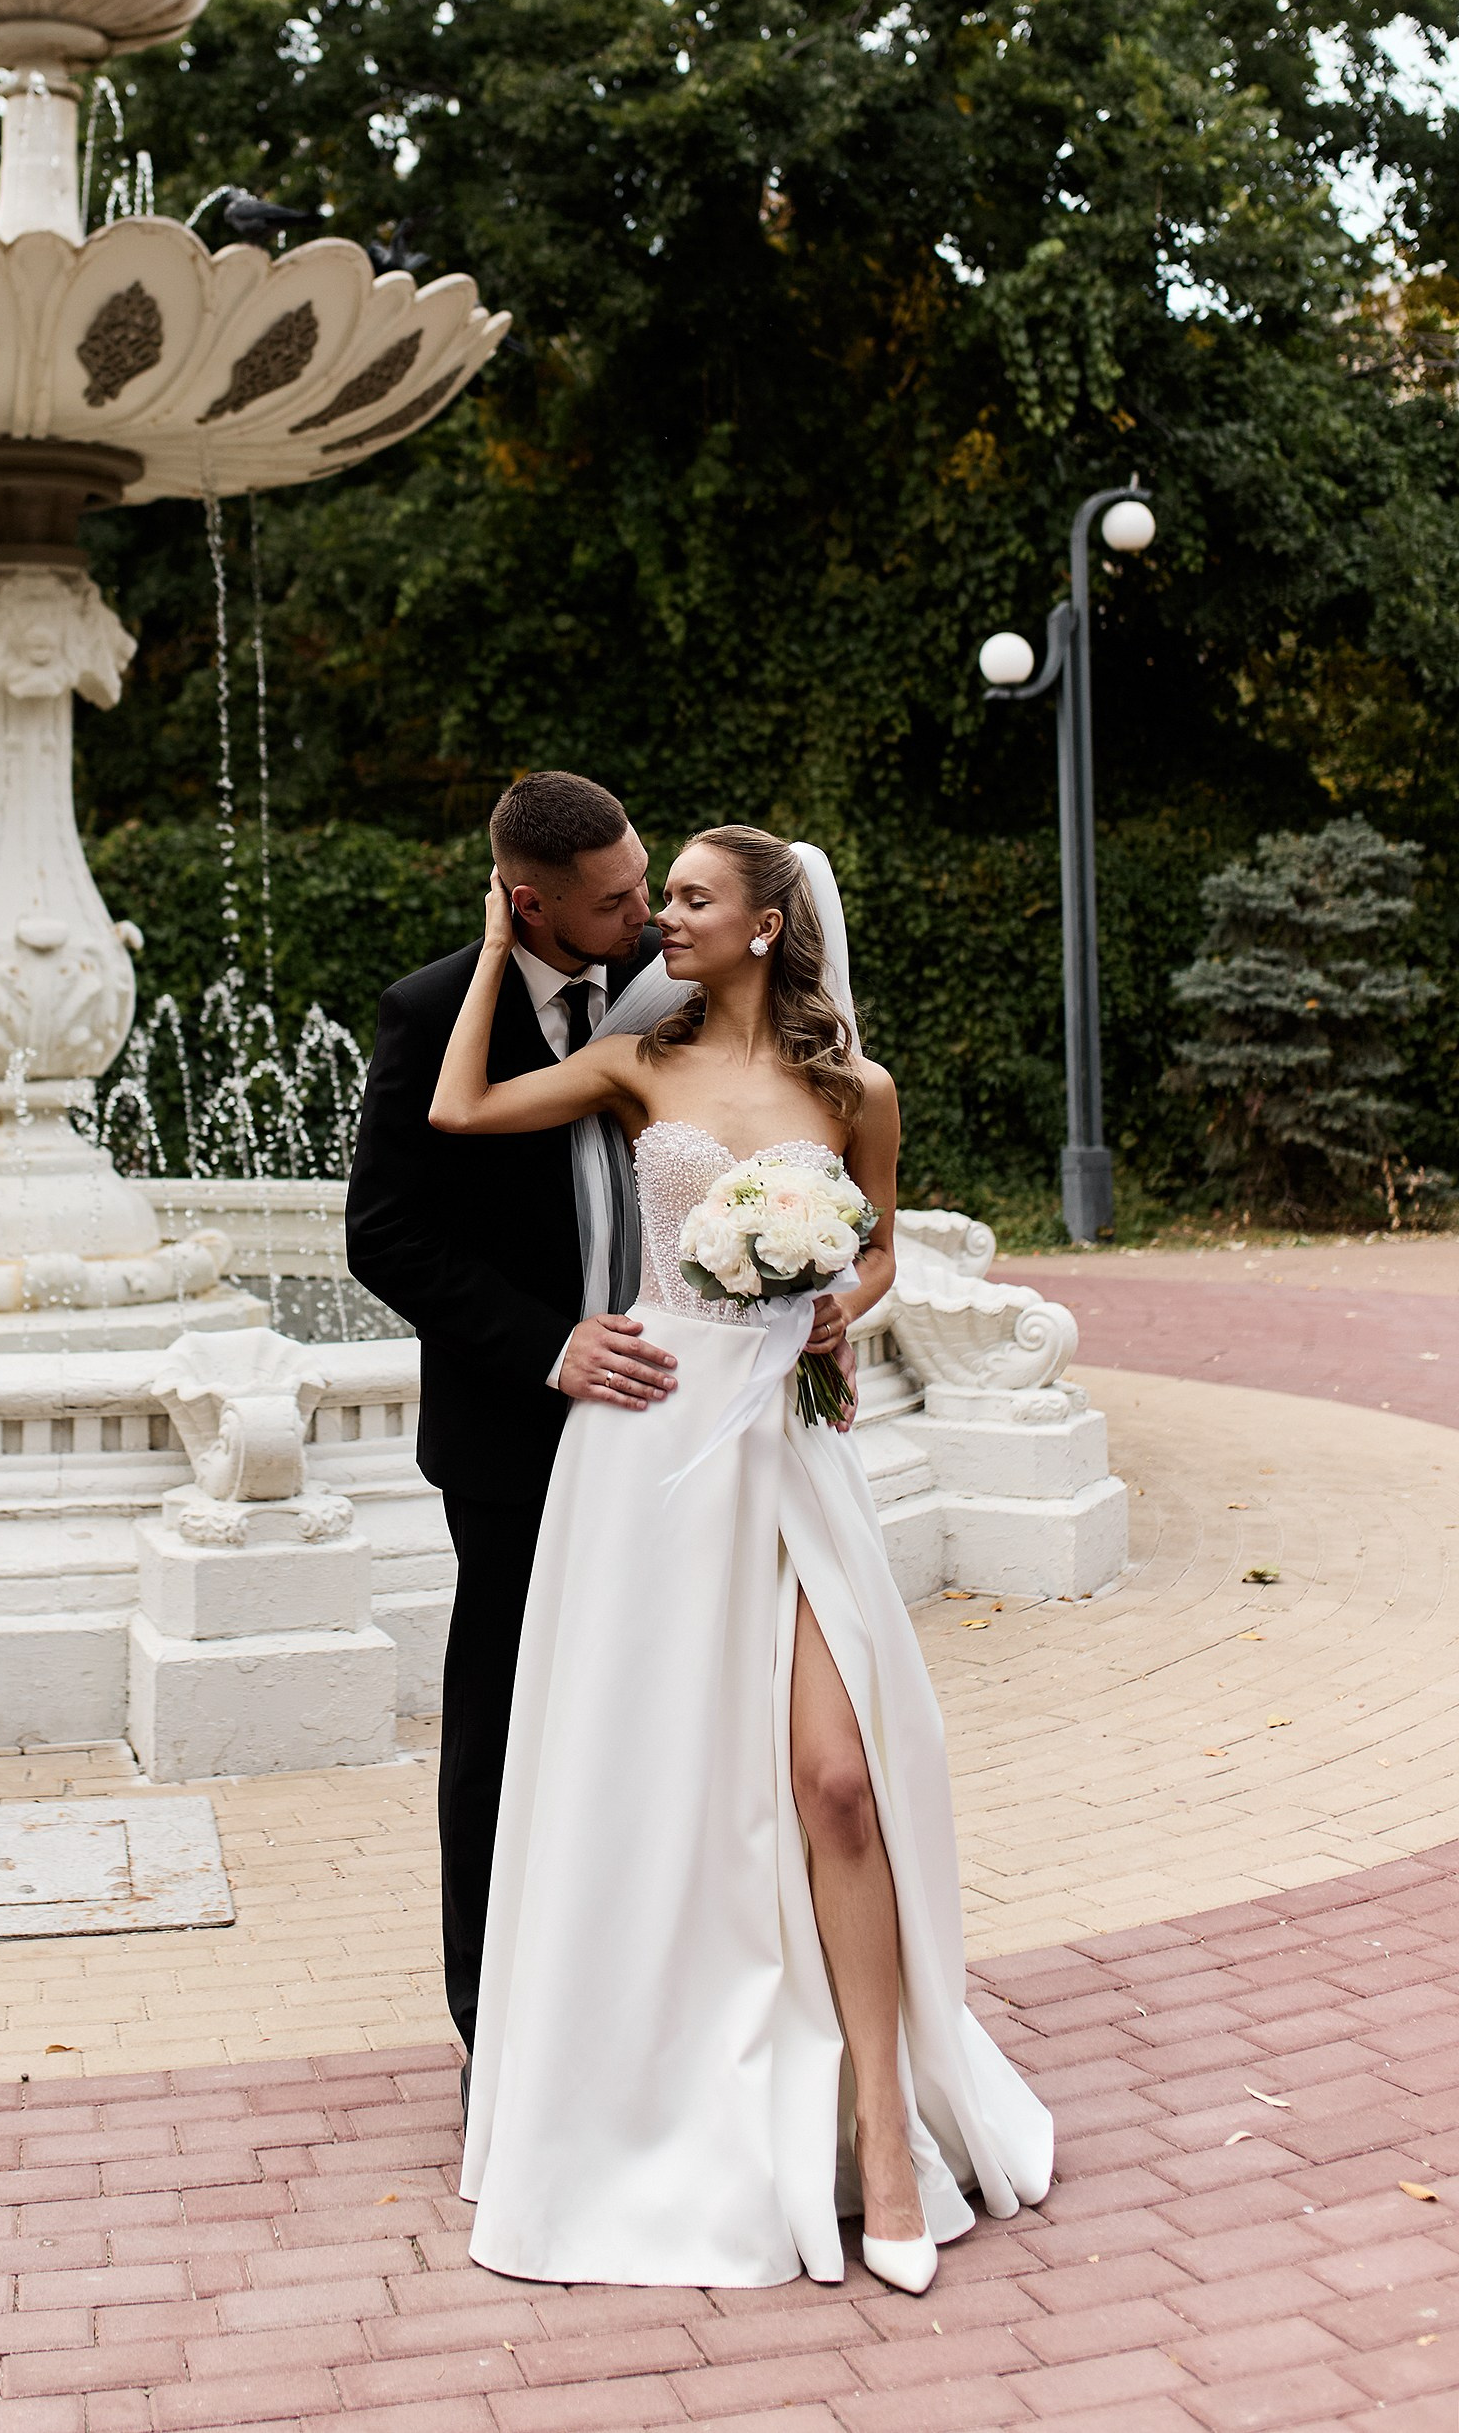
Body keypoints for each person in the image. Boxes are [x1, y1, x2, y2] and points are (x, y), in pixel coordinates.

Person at [427, 825, 1054, 2294]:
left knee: (838, 1781)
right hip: (648, 1449)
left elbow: (878, 1249)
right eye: (663, 899)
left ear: (768, 925)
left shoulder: (855, 1091)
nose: (665, 919)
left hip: (787, 1443)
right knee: (663, 1789)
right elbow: (460, 1109)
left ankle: (885, 2134)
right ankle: (656, 2084)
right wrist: (496, 949)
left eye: (693, 899)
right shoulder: (638, 1066)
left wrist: (849, 1306)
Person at [345, 772, 675, 2071]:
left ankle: (639, 1989)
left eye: (646, 881)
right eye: (617, 900)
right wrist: (549, 1346)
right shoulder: (432, 1012)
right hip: (512, 1439)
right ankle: (493, 2025)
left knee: (652, 1711)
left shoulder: (675, 978)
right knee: (499, 1727)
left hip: (671, 1415)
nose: (645, 913)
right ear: (529, 906)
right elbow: (384, 1236)